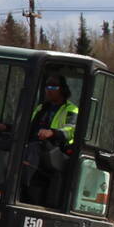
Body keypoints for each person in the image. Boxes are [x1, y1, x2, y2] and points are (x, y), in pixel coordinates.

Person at [21, 76, 78, 206]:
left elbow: (71, 130)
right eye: (47, 86)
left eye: (53, 87)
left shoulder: (71, 109)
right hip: (34, 144)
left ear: (63, 89)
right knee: (4, 143)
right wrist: (7, 128)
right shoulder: (42, 108)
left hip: (56, 149)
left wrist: (52, 132)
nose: (49, 90)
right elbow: (27, 125)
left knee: (33, 149)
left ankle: (23, 188)